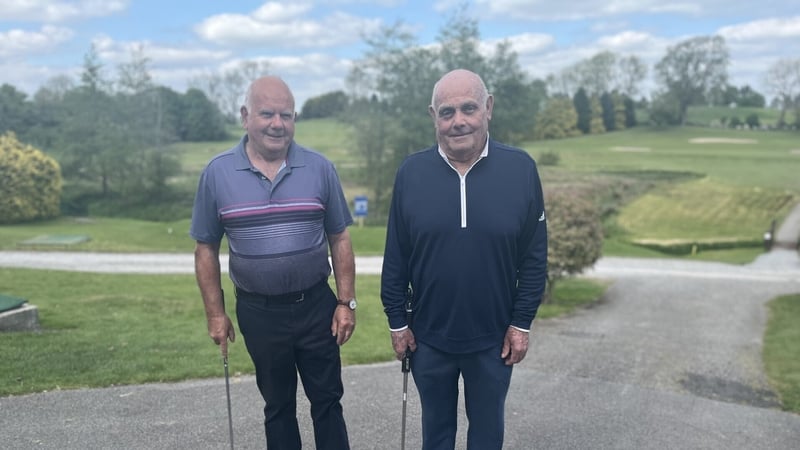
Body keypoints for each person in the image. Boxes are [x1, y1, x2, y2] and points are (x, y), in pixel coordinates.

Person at [380, 69, 548, 450]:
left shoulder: (520, 169)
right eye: (447, 112)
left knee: (487, 437)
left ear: (488, 108)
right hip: (428, 339)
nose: (458, 121)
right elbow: (396, 257)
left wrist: (521, 323)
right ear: (433, 116)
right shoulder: (411, 172)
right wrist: (396, 322)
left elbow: (534, 257)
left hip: (494, 340)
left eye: (468, 108)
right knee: (436, 437)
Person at [190, 76, 356, 450]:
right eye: (267, 114)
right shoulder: (217, 173)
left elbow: (340, 238)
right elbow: (206, 248)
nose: (277, 124)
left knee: (327, 401)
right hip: (258, 311)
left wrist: (346, 302)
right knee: (278, 406)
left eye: (286, 115)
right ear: (245, 116)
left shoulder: (320, 168)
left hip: (317, 306)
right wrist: (215, 314)